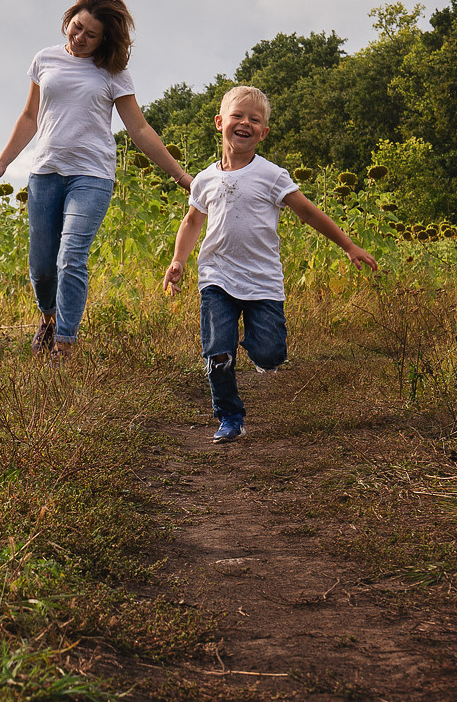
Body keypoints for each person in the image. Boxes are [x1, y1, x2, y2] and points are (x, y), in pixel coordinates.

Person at [162, 85, 378, 442]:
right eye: (237, 116)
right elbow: (192, 222)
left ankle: (260, 351)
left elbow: (308, 212)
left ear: (264, 132)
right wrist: (178, 260)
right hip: (216, 277)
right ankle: (229, 416)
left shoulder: (271, 175)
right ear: (220, 122)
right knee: (218, 353)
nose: (244, 123)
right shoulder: (204, 179)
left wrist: (349, 245)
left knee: (270, 353)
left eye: (254, 120)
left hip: (263, 282)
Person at [0, 0, 193, 355]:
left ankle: (65, 344)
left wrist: (181, 176)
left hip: (92, 175)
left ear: (104, 40)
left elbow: (139, 128)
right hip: (46, 172)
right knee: (43, 266)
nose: (80, 38)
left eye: (90, 35)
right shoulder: (44, 59)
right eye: (77, 28)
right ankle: (48, 320)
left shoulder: (112, 72)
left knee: (71, 257)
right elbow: (30, 117)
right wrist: (2, 164)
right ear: (69, 20)